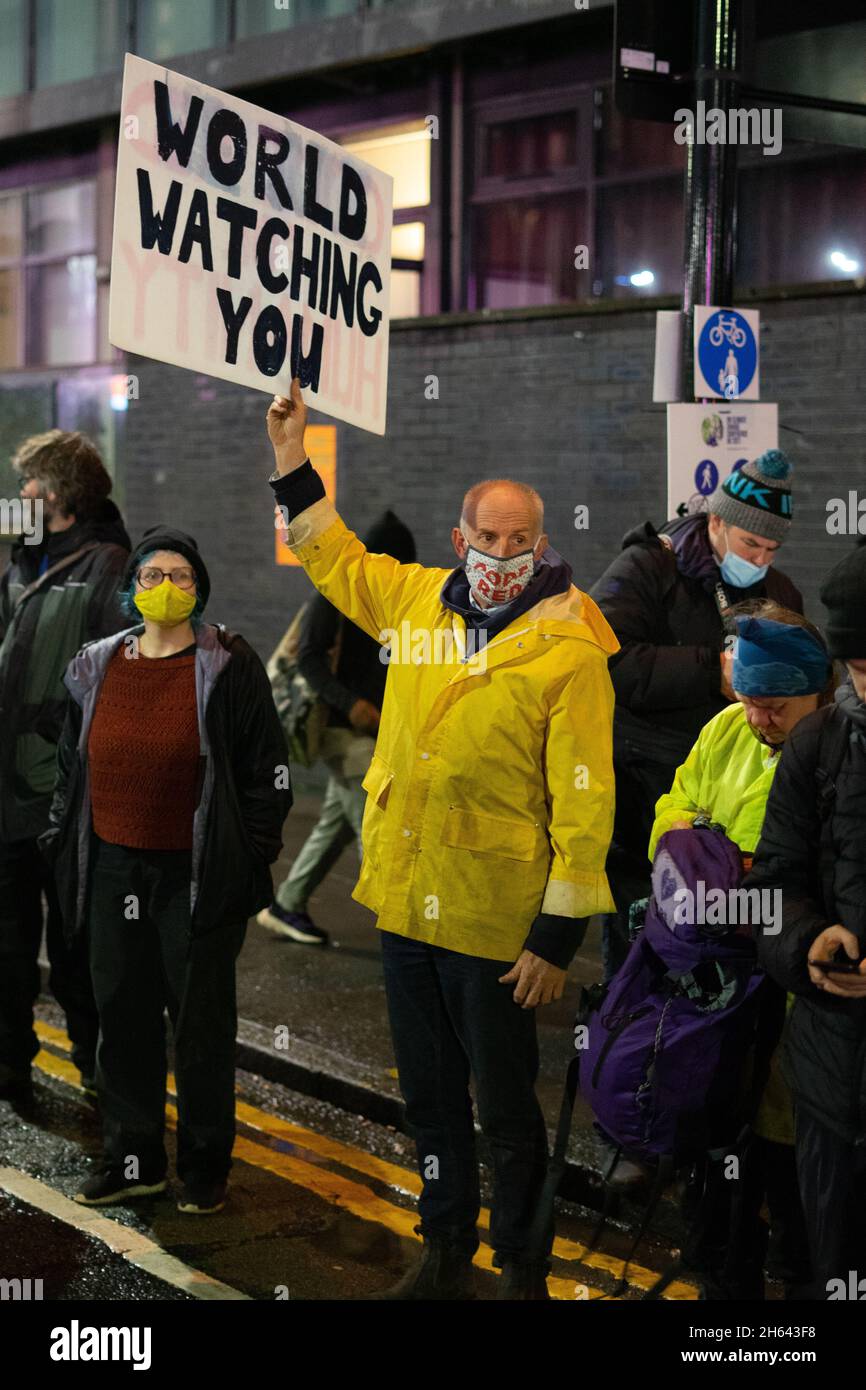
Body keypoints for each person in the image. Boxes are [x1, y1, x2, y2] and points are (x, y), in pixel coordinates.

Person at [265, 380, 618, 1299]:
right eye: (489, 537)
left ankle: (524, 1269)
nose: (505, 553)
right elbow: (331, 555)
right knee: (427, 1099)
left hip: (497, 920)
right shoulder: (417, 602)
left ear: (541, 543)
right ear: (461, 539)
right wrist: (292, 455)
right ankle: (445, 1245)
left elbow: (586, 801)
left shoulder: (569, 647)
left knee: (506, 1109)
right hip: (405, 897)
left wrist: (556, 938)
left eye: (521, 539)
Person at [42, 528, 292, 1214]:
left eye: (182, 576)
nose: (166, 586)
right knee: (122, 1017)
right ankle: (135, 1159)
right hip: (112, 866)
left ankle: (205, 1166)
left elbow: (268, 769)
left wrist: (252, 851)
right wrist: (62, 836)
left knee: (201, 1025)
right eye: (153, 574)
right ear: (131, 590)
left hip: (194, 873)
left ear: (200, 590)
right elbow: (71, 766)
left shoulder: (228, 662)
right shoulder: (96, 664)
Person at [648, 603, 834, 1298]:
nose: (760, 721)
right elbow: (674, 806)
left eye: (776, 707)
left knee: (785, 1159)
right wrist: (689, 849)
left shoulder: (837, 752)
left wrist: (743, 870)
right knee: (715, 1155)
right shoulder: (726, 729)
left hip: (793, 997)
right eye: (751, 703)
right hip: (715, 991)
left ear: (820, 690)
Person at [590, 449, 803, 986]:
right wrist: (712, 670)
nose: (758, 559)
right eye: (750, 543)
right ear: (716, 522)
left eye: (771, 549)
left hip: (729, 799)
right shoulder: (647, 567)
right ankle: (629, 1041)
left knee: (717, 954)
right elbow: (603, 659)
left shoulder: (778, 593)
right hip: (641, 784)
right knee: (642, 933)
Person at [748, 546, 866, 1299]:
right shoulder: (818, 748)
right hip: (836, 1084)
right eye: (858, 664)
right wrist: (808, 941)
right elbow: (774, 885)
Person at [0, 430, 130, 1105]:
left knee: (77, 947)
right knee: (7, 947)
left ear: (57, 496)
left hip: (66, 798)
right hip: (8, 795)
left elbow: (121, 678)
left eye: (28, 485)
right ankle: (9, 1066)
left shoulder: (107, 567)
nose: (18, 494)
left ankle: (99, 1075)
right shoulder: (21, 563)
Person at [258, 511, 416, 945]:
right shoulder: (334, 593)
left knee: (337, 821)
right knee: (374, 814)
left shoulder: (396, 596)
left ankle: (287, 905)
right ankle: (400, 931)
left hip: (376, 730)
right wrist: (352, 704)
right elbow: (308, 659)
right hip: (335, 727)